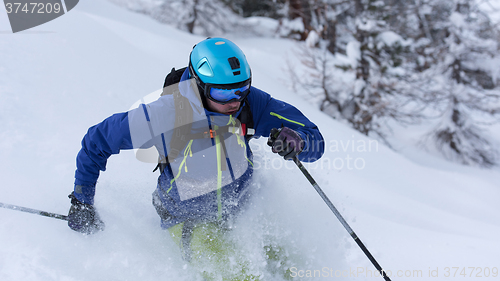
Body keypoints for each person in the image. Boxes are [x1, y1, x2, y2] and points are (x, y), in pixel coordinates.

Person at [67, 37, 324, 279]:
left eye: (242, 89)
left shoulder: (250, 102)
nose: (235, 101)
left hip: (245, 212)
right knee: (244, 277)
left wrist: (298, 141)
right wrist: (82, 201)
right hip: (190, 220)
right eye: (223, 94)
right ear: (199, 85)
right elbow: (97, 141)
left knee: (296, 270)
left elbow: (315, 140)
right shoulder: (165, 115)